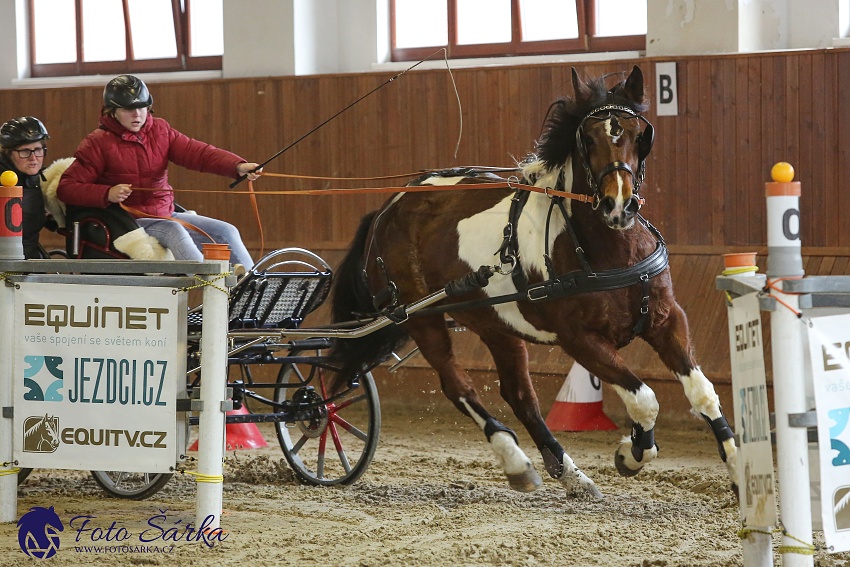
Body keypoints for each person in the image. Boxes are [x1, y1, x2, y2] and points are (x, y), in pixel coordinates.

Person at [57, 74, 261, 267]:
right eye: (129, 109)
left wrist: (238, 166)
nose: (137, 115)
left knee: (226, 231)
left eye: (142, 107)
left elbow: (199, 153)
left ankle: (254, 290)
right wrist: (107, 193)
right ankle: (210, 286)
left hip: (165, 213)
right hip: (127, 222)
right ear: (113, 111)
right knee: (174, 230)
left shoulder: (161, 130)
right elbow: (66, 188)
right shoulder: (97, 143)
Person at [0, 116, 51, 259]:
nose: (33, 158)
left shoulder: (33, 177)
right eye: (25, 151)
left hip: (30, 258)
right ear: (8, 153)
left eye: (38, 150)